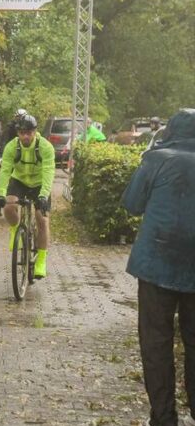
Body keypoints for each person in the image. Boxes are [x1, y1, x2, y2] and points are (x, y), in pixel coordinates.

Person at [122, 109, 195, 426]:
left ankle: (164, 418)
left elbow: (132, 203)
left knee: (156, 344)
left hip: (155, 265)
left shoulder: (156, 159)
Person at [0, 114, 55, 278]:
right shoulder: (11, 147)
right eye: (22, 133)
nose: (25, 136)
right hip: (19, 180)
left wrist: (43, 196)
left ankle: (41, 260)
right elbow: (5, 171)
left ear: (35, 132)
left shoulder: (45, 147)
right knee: (9, 207)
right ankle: (15, 229)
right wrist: (0, 195)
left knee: (42, 219)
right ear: (18, 133)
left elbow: (49, 172)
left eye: (29, 132)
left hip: (39, 183)